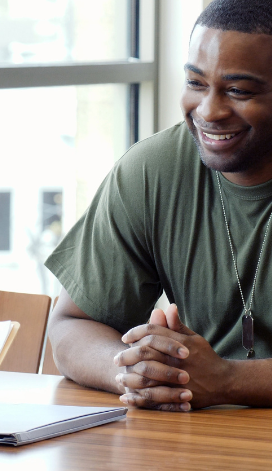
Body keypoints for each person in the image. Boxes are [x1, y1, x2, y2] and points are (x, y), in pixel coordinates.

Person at [46, 0, 272, 412]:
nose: (208, 111)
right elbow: (71, 326)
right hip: (194, 438)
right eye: (196, 83)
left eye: (238, 90)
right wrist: (137, 372)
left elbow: (217, 380)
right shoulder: (153, 169)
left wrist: (225, 380)